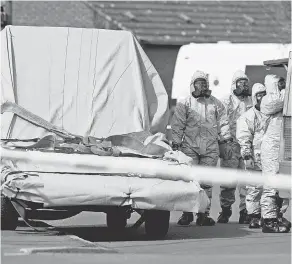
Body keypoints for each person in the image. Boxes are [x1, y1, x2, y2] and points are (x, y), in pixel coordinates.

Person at [171, 70, 233, 226]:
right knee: (190, 181)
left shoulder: (215, 103)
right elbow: (178, 125)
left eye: (205, 83)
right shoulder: (184, 104)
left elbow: (224, 123)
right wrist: (176, 142)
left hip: (211, 147)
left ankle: (203, 214)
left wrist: (225, 140)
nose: (203, 86)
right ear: (193, 85)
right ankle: (187, 213)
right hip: (190, 147)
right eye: (199, 83)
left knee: (206, 182)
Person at [217, 70, 253, 224]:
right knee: (228, 181)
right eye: (240, 83)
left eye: (246, 83)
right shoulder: (226, 101)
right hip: (230, 145)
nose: (244, 86)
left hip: (246, 146)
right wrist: (223, 142)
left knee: (246, 182)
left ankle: (245, 211)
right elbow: (220, 121)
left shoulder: (251, 101)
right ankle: (225, 210)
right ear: (234, 84)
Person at [259, 74, 290, 233]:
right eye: (281, 83)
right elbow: (278, 102)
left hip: (284, 146)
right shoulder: (267, 100)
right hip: (271, 148)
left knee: (284, 184)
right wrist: (288, 91)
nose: (285, 85)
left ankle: (277, 214)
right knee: (271, 183)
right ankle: (268, 219)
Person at [236, 83, 268, 228]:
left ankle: (271, 215)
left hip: (270, 157)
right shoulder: (247, 117)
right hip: (255, 157)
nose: (262, 98)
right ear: (254, 97)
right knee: (254, 189)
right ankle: (254, 216)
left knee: (272, 188)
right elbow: (243, 137)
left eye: (264, 94)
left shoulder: (272, 114)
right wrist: (247, 156)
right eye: (259, 95)